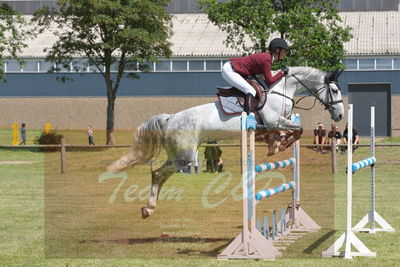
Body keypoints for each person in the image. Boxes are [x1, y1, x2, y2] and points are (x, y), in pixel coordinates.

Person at [221, 38, 289, 114]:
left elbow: (263, 77)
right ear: (277, 50)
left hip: (234, 70)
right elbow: (270, 81)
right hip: (230, 70)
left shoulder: (267, 58)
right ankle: (248, 117)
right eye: (284, 51)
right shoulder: (266, 59)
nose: (285, 53)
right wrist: (282, 73)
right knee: (250, 90)